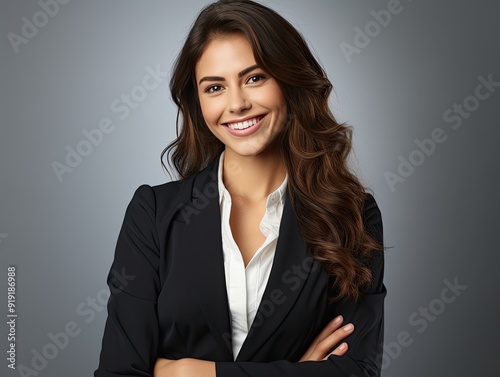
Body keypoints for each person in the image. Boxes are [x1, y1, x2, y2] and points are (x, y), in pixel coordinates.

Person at [94, 0, 386, 376]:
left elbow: (358, 371)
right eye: (215, 87)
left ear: (289, 81)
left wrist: (191, 373)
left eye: (255, 78)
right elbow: (119, 372)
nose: (237, 104)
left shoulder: (352, 214)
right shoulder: (152, 214)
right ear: (197, 103)